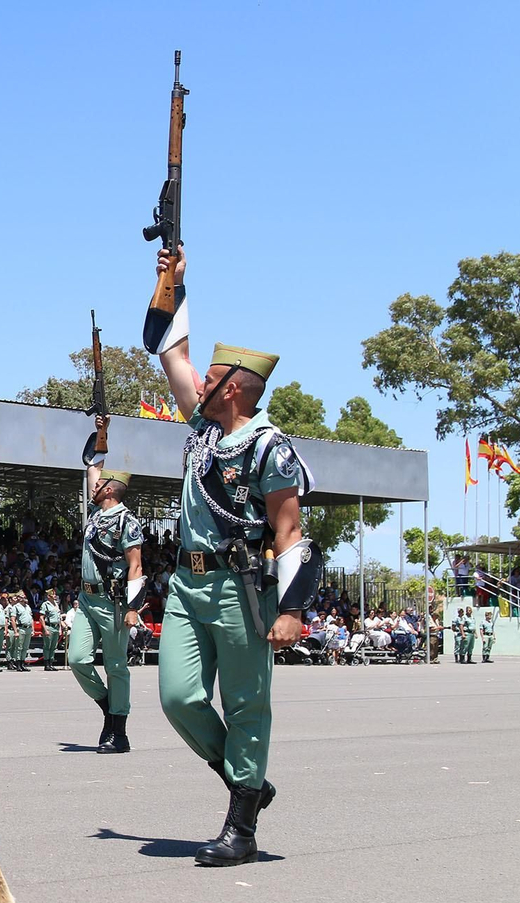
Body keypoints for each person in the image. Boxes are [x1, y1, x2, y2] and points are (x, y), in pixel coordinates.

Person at [152, 244, 312, 866]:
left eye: (211, 378)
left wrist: (292, 609)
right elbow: (171, 350)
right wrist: (172, 282)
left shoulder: (271, 448)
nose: (199, 383)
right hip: (187, 585)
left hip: (241, 587)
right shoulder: (203, 427)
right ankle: (247, 780)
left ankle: (241, 828)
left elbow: (289, 531)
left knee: (247, 704)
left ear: (234, 389)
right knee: (178, 697)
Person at [67, 453, 143, 751]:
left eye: (99, 485)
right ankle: (108, 707)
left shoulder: (127, 521)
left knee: (116, 666)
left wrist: (133, 608)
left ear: (109, 489)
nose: (93, 487)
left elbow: (135, 565)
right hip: (87, 598)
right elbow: (92, 471)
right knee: (77, 659)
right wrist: (99, 441)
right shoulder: (95, 515)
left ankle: (119, 732)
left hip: (113, 602)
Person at [39, 588, 63, 671]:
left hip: (56, 627)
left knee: (53, 646)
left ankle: (51, 663)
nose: (55, 596)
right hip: (49, 626)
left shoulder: (56, 604)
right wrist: (45, 629)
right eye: (53, 594)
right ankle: (46, 664)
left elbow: (59, 618)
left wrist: (60, 628)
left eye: (55, 594)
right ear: (49, 596)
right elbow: (41, 618)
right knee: (47, 646)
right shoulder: (45, 604)